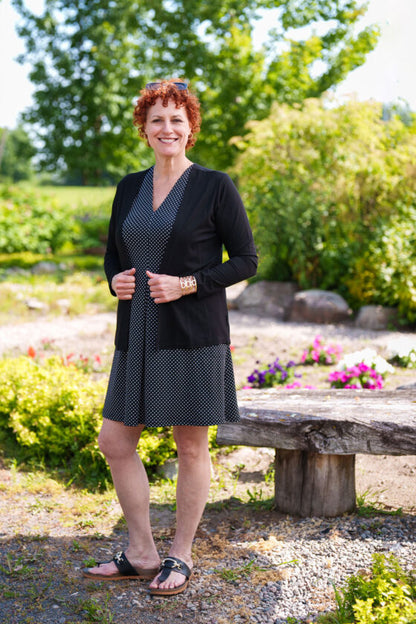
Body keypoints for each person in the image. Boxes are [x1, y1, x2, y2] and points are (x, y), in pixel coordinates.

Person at [82, 79, 257, 596]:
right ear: (144, 127)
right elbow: (116, 252)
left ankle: (179, 556)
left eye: (177, 119)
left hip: (192, 331)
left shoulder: (214, 186)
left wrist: (188, 284)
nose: (167, 128)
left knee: (190, 444)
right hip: (135, 332)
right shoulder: (129, 187)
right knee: (115, 440)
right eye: (157, 119)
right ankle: (141, 551)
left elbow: (246, 260)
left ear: (191, 128)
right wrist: (113, 278)